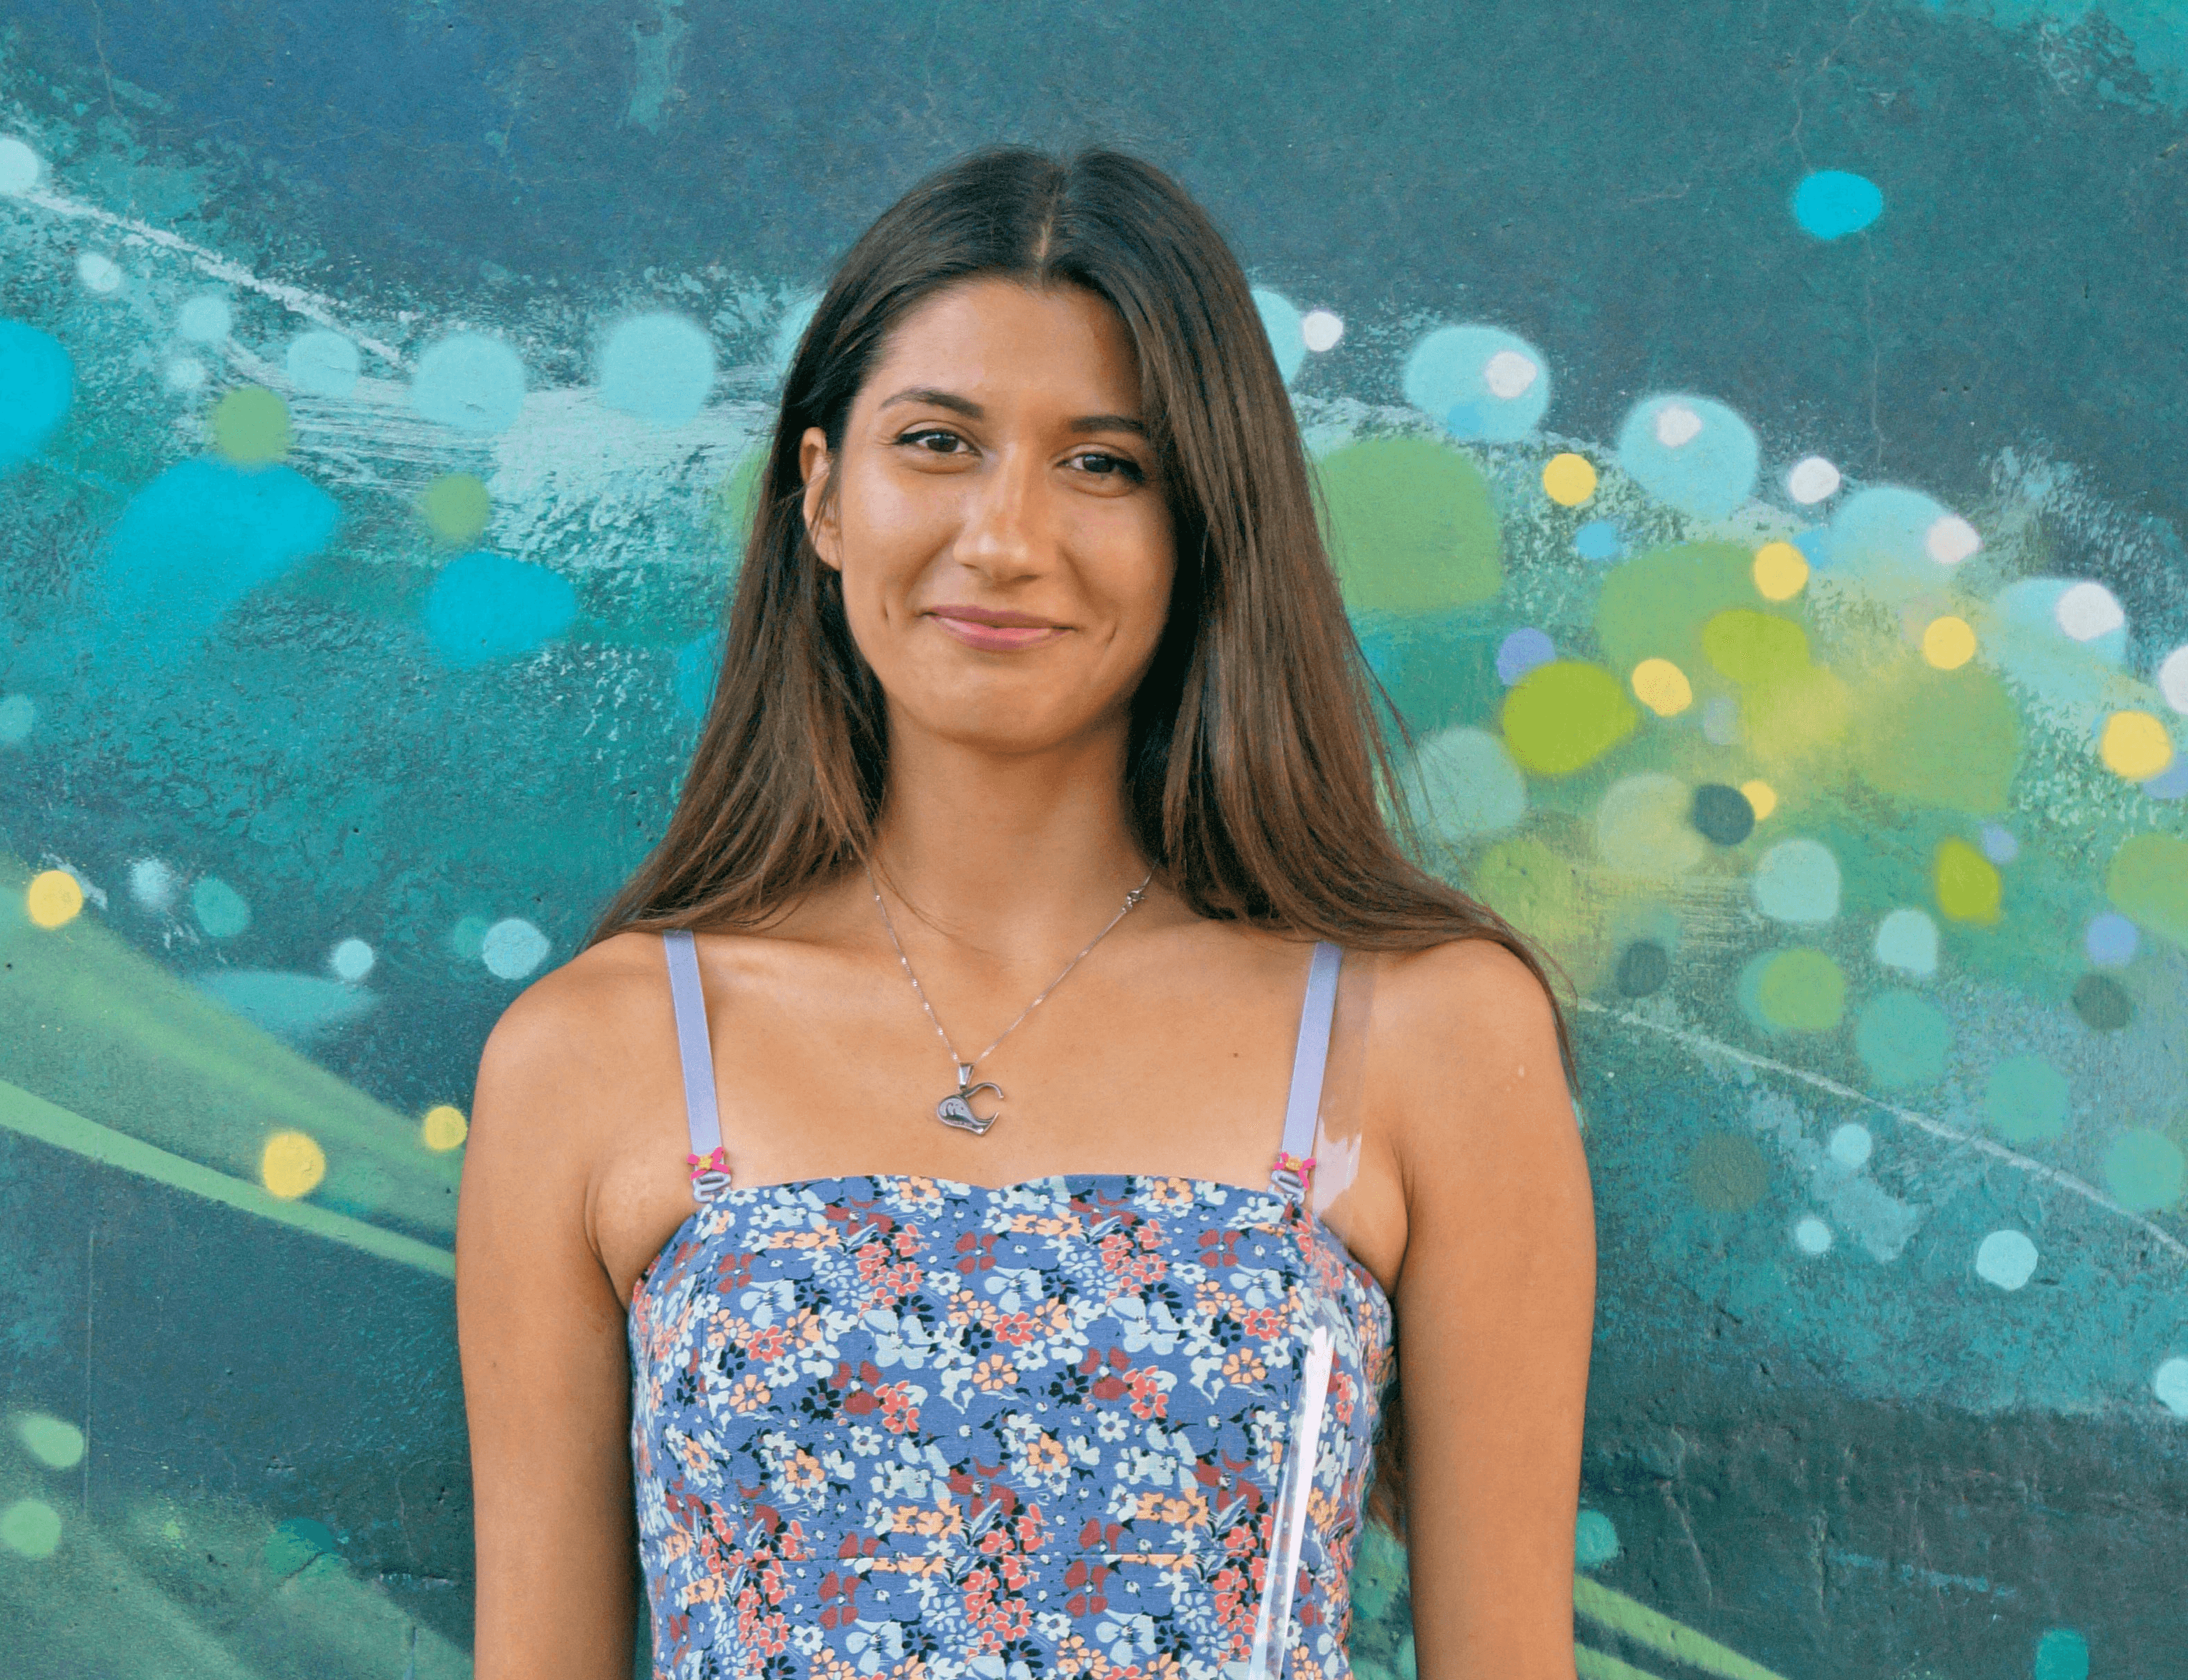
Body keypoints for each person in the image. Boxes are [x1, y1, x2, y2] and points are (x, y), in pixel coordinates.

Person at [457, 146, 1595, 1680]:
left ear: (1202, 529)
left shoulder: (1424, 1029)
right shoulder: (599, 1051)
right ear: (821, 495)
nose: (1003, 537)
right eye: (936, 443)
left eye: (1104, 464)